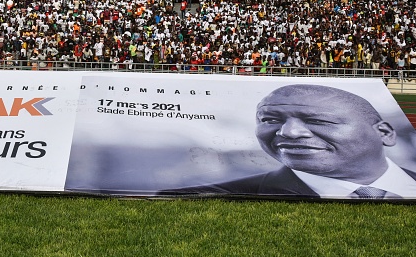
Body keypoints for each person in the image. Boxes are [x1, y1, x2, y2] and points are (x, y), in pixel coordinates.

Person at [166, 84, 416, 199]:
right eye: (270, 119)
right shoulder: (203, 198)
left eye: (320, 121)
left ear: (385, 133)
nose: (289, 132)